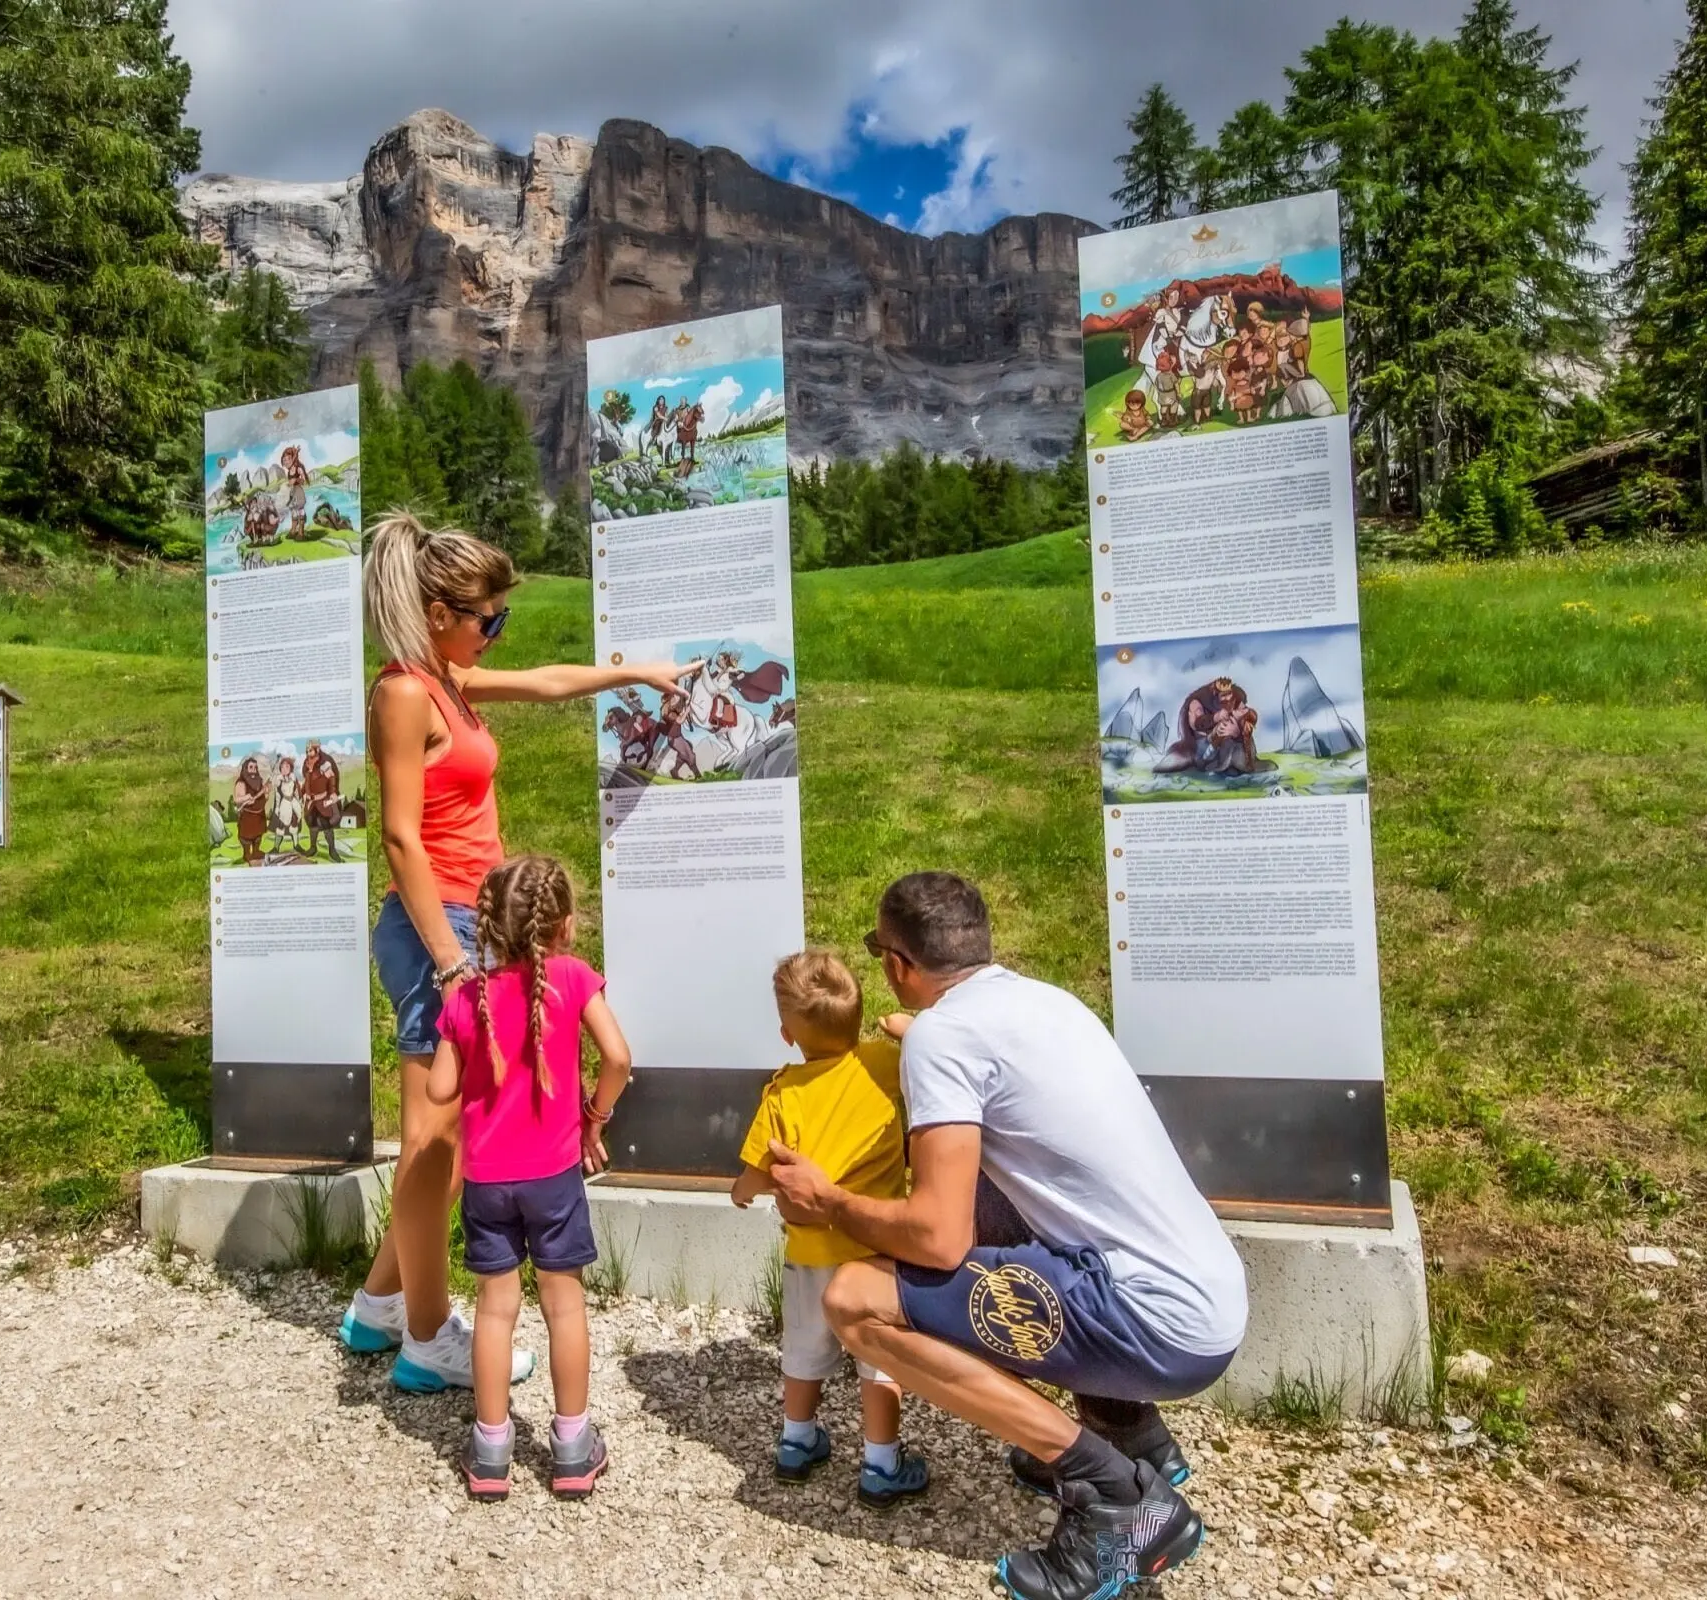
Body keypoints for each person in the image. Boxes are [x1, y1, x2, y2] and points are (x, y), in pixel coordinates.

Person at [762, 872, 1248, 1600]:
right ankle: (1128, 1430)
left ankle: (1115, 1495)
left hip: (1154, 1328)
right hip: (1208, 1301)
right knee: (995, 1187)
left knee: (855, 1299)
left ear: (898, 965)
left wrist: (828, 1200)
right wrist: (915, 1033)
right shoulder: (1046, 1003)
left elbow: (937, 1237)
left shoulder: (944, 1041)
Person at [339, 511, 691, 1393]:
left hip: (470, 924)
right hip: (438, 931)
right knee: (435, 1138)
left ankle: (380, 1306)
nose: (496, 635)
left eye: (500, 619)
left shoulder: (447, 678)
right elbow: (399, 839)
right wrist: (451, 962)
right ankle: (426, 1336)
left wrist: (632, 673)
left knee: (448, 1135)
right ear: (434, 609)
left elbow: (540, 683)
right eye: (484, 620)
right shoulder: (405, 694)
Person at [424, 854, 631, 1501]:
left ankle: (490, 1452)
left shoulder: (469, 998)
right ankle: (571, 1446)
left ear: (487, 926)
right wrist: (594, 1117)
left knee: (495, 1311)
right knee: (563, 1304)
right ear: (564, 925)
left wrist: (455, 1020)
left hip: (489, 1182)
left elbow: (438, 1089)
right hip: (555, 1176)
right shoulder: (572, 980)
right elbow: (619, 1057)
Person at [730, 951, 928, 1509]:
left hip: (811, 1251)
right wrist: (904, 1027)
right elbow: (924, 1048)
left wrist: (743, 1194)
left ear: (787, 1034)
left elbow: (754, 1174)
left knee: (802, 1348)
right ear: (859, 1015)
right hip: (878, 1248)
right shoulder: (883, 1064)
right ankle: (881, 1463)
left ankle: (796, 1441)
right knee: (881, 1359)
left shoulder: (782, 1091)